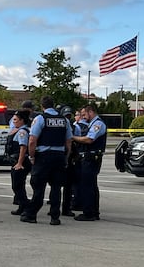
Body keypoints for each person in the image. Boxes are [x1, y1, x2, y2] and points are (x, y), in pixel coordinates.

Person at [20, 96, 71, 225]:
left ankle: (31, 214)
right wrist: (66, 157)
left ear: (42, 106)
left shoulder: (40, 119)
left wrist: (32, 156)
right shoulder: (64, 120)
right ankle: (55, 217)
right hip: (59, 156)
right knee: (56, 188)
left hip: (43, 156)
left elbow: (32, 140)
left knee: (39, 187)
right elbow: (68, 141)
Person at [71, 104, 107, 221]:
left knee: (87, 186)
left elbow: (89, 139)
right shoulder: (92, 124)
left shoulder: (98, 124)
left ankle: (89, 213)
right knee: (91, 185)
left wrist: (73, 137)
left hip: (91, 158)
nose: (83, 117)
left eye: (84, 114)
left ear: (91, 112)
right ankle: (93, 212)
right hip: (90, 158)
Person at [7, 109, 32, 216]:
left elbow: (23, 147)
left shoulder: (22, 132)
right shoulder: (17, 130)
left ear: (22, 120)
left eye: (15, 120)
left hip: (20, 161)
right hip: (16, 161)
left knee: (17, 185)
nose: (13, 122)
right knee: (19, 185)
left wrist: (20, 163)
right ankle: (22, 207)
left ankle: (27, 206)